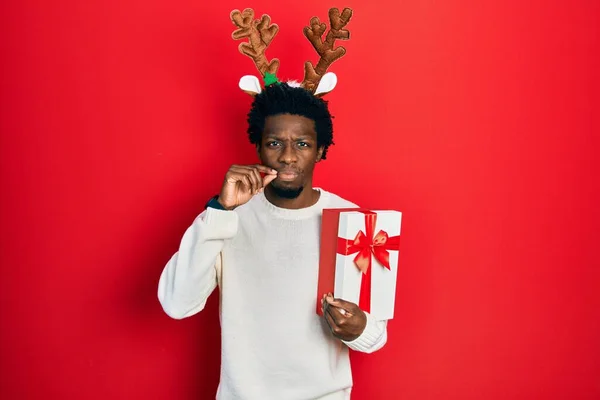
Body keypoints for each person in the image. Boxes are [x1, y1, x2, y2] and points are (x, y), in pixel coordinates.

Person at [158, 7, 387, 400]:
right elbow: (177, 304)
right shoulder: (228, 216)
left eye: (302, 144)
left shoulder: (352, 220)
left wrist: (360, 328)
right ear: (260, 147)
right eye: (274, 143)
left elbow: (375, 332)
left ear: (320, 152)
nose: (287, 157)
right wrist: (219, 212)